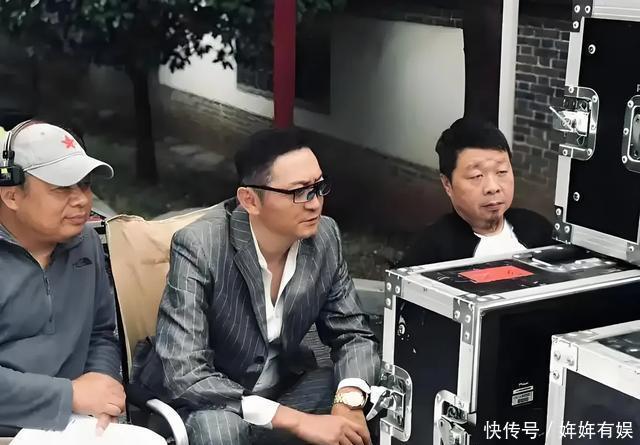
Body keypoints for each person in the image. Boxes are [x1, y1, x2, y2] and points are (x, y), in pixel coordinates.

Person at [142, 128, 380, 445]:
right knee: (220, 431)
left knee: (365, 396)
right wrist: (296, 421)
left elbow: (352, 333)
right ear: (250, 200)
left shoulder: (324, 236)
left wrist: (349, 402)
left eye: (319, 187)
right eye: (299, 192)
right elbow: (185, 373)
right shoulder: (200, 246)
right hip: (209, 402)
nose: (315, 204)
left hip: (283, 389)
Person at [0, 121, 125, 434]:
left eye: (85, 185)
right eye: (62, 188)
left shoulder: (86, 242)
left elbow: (101, 332)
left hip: (77, 424)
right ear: (12, 195)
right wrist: (69, 395)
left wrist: (103, 382)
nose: (82, 200)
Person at [400, 118, 552, 266]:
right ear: (447, 184)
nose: (492, 187)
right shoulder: (430, 251)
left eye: (501, 172)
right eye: (476, 176)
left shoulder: (538, 229)